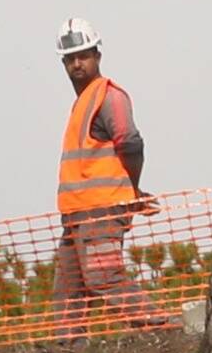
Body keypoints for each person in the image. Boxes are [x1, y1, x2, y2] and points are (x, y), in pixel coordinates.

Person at [48, 17, 165, 330]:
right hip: (76, 215)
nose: (77, 64)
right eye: (70, 58)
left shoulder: (109, 96)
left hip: (101, 212)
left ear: (97, 55)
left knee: (104, 278)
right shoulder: (83, 103)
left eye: (83, 56)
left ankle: (161, 328)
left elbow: (130, 142)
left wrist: (133, 188)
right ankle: (68, 350)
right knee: (68, 291)